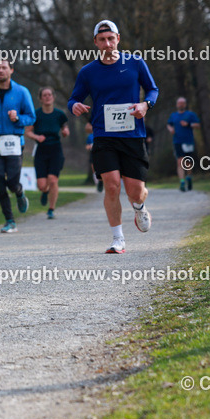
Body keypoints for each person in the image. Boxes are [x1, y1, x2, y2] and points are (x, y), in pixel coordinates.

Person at [68, 19, 159, 254]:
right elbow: (74, 98)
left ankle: (139, 207)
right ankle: (118, 239)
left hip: (132, 136)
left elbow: (152, 89)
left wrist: (145, 105)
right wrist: (74, 105)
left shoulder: (135, 63)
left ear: (118, 39)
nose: (107, 44)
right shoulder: (88, 72)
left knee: (136, 192)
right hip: (104, 136)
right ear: (95, 42)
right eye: (102, 40)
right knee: (111, 186)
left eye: (111, 39)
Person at [0, 59, 36, 233]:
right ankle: (10, 221)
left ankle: (19, 191)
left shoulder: (21, 92)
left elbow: (31, 117)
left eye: (4, 68)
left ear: (11, 70)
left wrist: (17, 118)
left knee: (12, 182)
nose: (0, 70)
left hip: (14, 142)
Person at [26, 87, 69, 219]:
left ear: (53, 97)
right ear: (40, 99)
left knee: (53, 180)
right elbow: (27, 131)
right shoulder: (36, 114)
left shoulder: (60, 114)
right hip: (41, 150)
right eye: (44, 95)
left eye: (49, 94)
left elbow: (65, 128)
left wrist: (65, 132)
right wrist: (37, 137)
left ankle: (51, 209)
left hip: (55, 149)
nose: (47, 97)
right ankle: (45, 191)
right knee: (42, 185)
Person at [167, 97, 201, 191]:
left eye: (182, 103)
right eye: (179, 103)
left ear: (185, 104)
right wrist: (171, 129)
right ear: (177, 104)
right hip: (177, 141)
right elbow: (169, 124)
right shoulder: (173, 115)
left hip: (188, 141)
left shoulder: (190, 114)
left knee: (188, 162)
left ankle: (189, 177)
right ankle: (182, 182)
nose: (181, 104)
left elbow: (198, 125)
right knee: (179, 161)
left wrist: (188, 124)